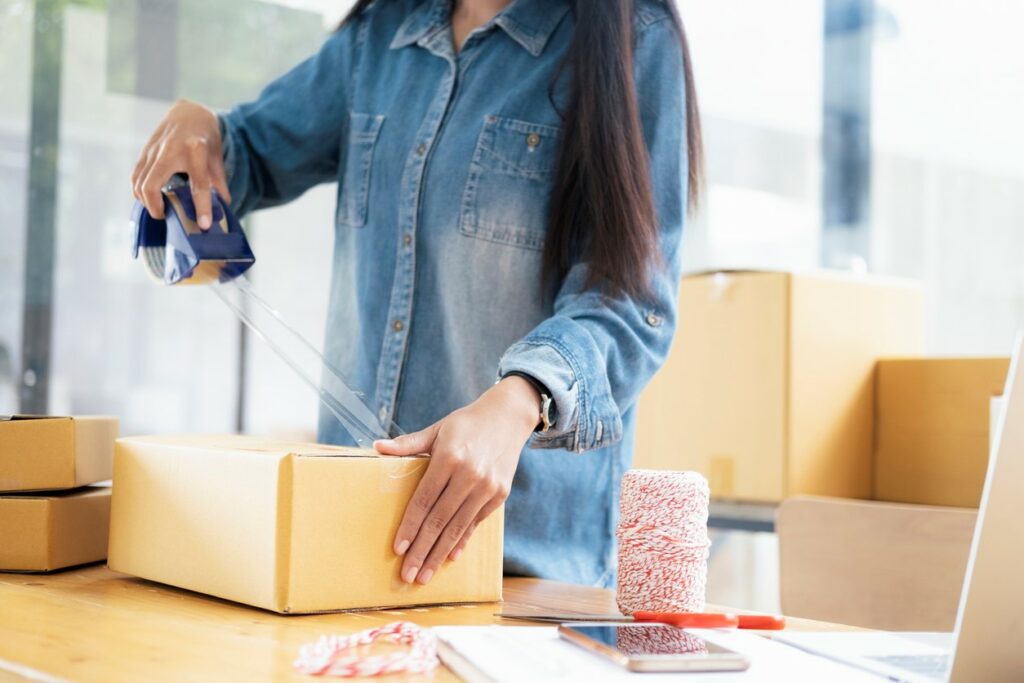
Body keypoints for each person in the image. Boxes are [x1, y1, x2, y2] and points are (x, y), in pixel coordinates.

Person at [130, 0, 702, 589]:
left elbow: (631, 304)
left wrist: (521, 397)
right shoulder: (379, 35)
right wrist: (201, 140)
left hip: (522, 571)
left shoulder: (636, 39)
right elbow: (240, 156)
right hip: (347, 551)